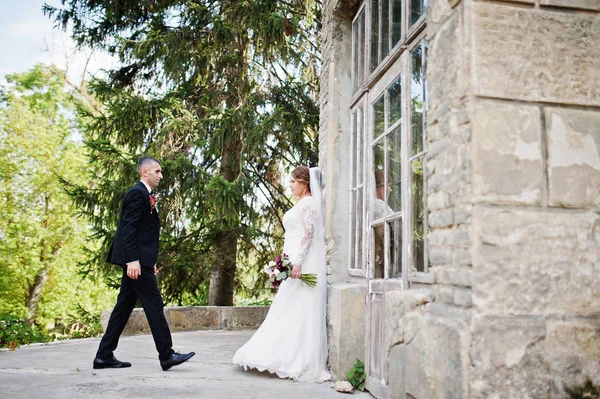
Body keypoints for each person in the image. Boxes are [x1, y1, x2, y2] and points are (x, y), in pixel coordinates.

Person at [93, 156, 195, 371]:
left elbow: (143, 232)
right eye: (157, 171)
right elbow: (128, 229)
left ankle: (103, 356)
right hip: (135, 262)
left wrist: (150, 261)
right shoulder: (137, 193)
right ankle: (166, 355)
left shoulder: (145, 195)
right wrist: (132, 260)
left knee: (123, 308)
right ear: (144, 173)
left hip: (141, 261)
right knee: (154, 306)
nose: (161, 175)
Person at [232, 166, 331, 381]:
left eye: (293, 181)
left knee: (295, 306)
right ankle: (278, 352)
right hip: (293, 261)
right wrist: (282, 263)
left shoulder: (309, 205)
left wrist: (296, 263)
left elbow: (308, 235)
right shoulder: (302, 204)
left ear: (305, 182)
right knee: (287, 306)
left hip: (302, 264)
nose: (290, 185)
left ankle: (294, 357)